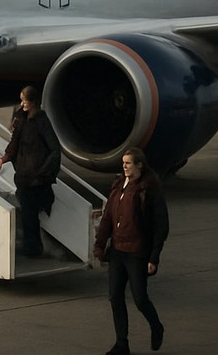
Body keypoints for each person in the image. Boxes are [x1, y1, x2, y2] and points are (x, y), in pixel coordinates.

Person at [93, 147, 168, 355]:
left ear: (139, 165)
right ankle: (121, 343)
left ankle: (156, 326)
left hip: (137, 253)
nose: (124, 167)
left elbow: (161, 225)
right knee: (115, 297)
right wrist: (100, 244)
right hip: (117, 251)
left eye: (128, 163)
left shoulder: (148, 189)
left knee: (140, 298)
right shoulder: (119, 186)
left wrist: (154, 256)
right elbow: (108, 218)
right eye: (123, 163)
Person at [0, 86, 60, 256]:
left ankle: (33, 247)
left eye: (24, 100)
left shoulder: (41, 121)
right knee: (28, 215)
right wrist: (4, 158)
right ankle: (32, 246)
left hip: (35, 179)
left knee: (29, 215)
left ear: (33, 102)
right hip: (25, 177)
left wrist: (43, 171)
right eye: (21, 100)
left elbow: (54, 150)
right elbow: (14, 144)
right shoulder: (22, 120)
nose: (22, 104)